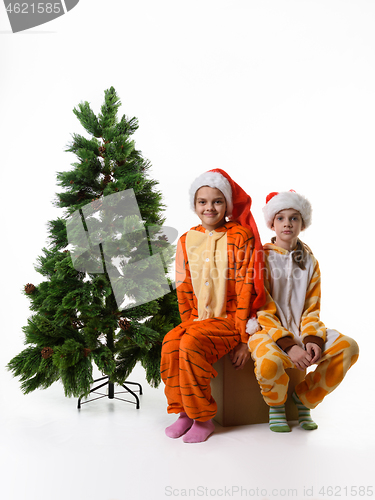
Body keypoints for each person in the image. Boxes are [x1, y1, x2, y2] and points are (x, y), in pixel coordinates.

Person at [160, 169, 265, 443]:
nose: (209, 207)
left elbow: (246, 289)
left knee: (192, 343)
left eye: (217, 201)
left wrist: (244, 338)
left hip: (229, 319)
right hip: (197, 318)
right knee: (172, 342)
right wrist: (187, 322)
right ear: (194, 205)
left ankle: (203, 417)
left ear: (227, 205)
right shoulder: (185, 240)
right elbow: (183, 289)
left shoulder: (240, 236)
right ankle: (182, 410)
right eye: (202, 201)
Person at [248, 190, 359, 432]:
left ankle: (304, 399)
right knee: (268, 364)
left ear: (302, 223)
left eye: (294, 218)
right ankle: (276, 406)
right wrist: (290, 345)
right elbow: (263, 309)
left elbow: (312, 309)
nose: (287, 223)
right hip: (268, 331)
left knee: (348, 347)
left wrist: (312, 339)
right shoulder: (261, 257)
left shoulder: (309, 261)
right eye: (281, 218)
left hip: (301, 331)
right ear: (272, 223)